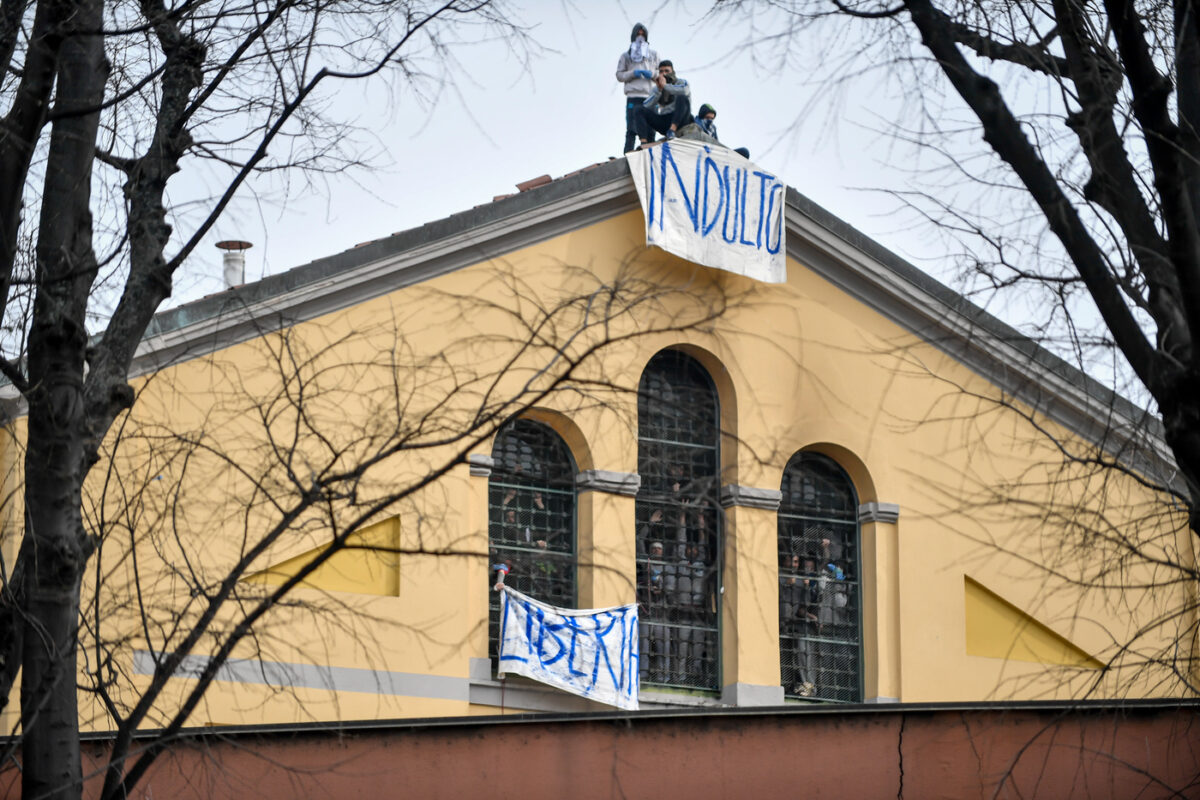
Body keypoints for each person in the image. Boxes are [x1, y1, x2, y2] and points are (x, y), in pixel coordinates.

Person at [615, 23, 659, 154]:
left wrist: (652, 74)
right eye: (638, 34)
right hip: (633, 96)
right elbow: (619, 75)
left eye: (643, 35)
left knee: (651, 129)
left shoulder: (653, 55)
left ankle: (651, 154)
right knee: (632, 129)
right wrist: (632, 73)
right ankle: (628, 155)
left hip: (650, 96)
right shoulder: (626, 56)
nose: (640, 37)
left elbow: (661, 73)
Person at [635, 61, 692, 148]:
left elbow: (684, 91)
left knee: (682, 97)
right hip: (665, 120)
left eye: (666, 71)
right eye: (661, 71)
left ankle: (672, 131)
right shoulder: (656, 88)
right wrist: (659, 90)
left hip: (681, 119)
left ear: (672, 71)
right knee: (638, 109)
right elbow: (646, 105)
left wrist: (666, 86)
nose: (664, 74)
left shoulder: (682, 82)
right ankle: (643, 142)